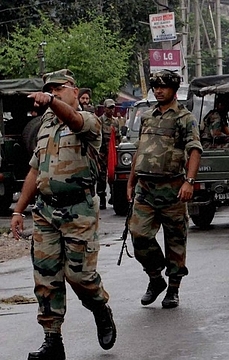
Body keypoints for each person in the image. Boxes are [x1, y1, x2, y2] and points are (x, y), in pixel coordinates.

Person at [11, 69, 116, 359]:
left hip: (78, 210)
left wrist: (51, 102)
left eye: (59, 88)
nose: (54, 92)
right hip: (45, 210)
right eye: (50, 89)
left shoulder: (89, 121)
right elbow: (35, 168)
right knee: (46, 277)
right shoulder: (45, 124)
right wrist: (20, 210)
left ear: (73, 90)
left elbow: (74, 119)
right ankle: (52, 340)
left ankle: (99, 307)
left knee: (79, 275)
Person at [126, 70, 203, 309]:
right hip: (145, 189)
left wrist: (189, 182)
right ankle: (155, 278)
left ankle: (173, 288)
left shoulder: (184, 118)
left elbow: (194, 150)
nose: (158, 91)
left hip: (172, 190)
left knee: (175, 240)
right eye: (155, 87)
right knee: (138, 234)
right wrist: (130, 181)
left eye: (163, 87)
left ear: (173, 89)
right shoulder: (147, 116)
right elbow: (141, 150)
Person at [97, 99, 122, 209]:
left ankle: (113, 195)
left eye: (113, 107)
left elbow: (118, 137)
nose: (112, 110)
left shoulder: (116, 121)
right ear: (105, 108)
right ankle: (102, 197)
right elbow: (97, 138)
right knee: (101, 177)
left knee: (113, 175)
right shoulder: (100, 121)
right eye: (109, 107)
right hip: (103, 153)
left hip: (112, 152)